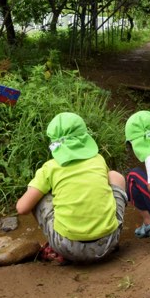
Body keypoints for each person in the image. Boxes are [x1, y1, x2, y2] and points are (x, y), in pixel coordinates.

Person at [15, 112, 127, 264]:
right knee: (115, 176)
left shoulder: (50, 168)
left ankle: (55, 248)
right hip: (108, 242)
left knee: (38, 195)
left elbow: (22, 208)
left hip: (67, 247)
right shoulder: (98, 160)